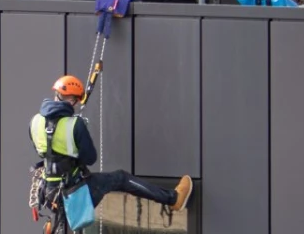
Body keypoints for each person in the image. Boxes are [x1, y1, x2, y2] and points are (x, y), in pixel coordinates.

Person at [30, 74, 193, 221]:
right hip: (72, 192)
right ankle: (174, 199)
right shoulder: (75, 125)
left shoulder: (35, 121)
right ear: (72, 101)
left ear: (56, 95)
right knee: (121, 178)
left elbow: (44, 150)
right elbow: (90, 158)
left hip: (50, 193)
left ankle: (57, 217)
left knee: (99, 181)